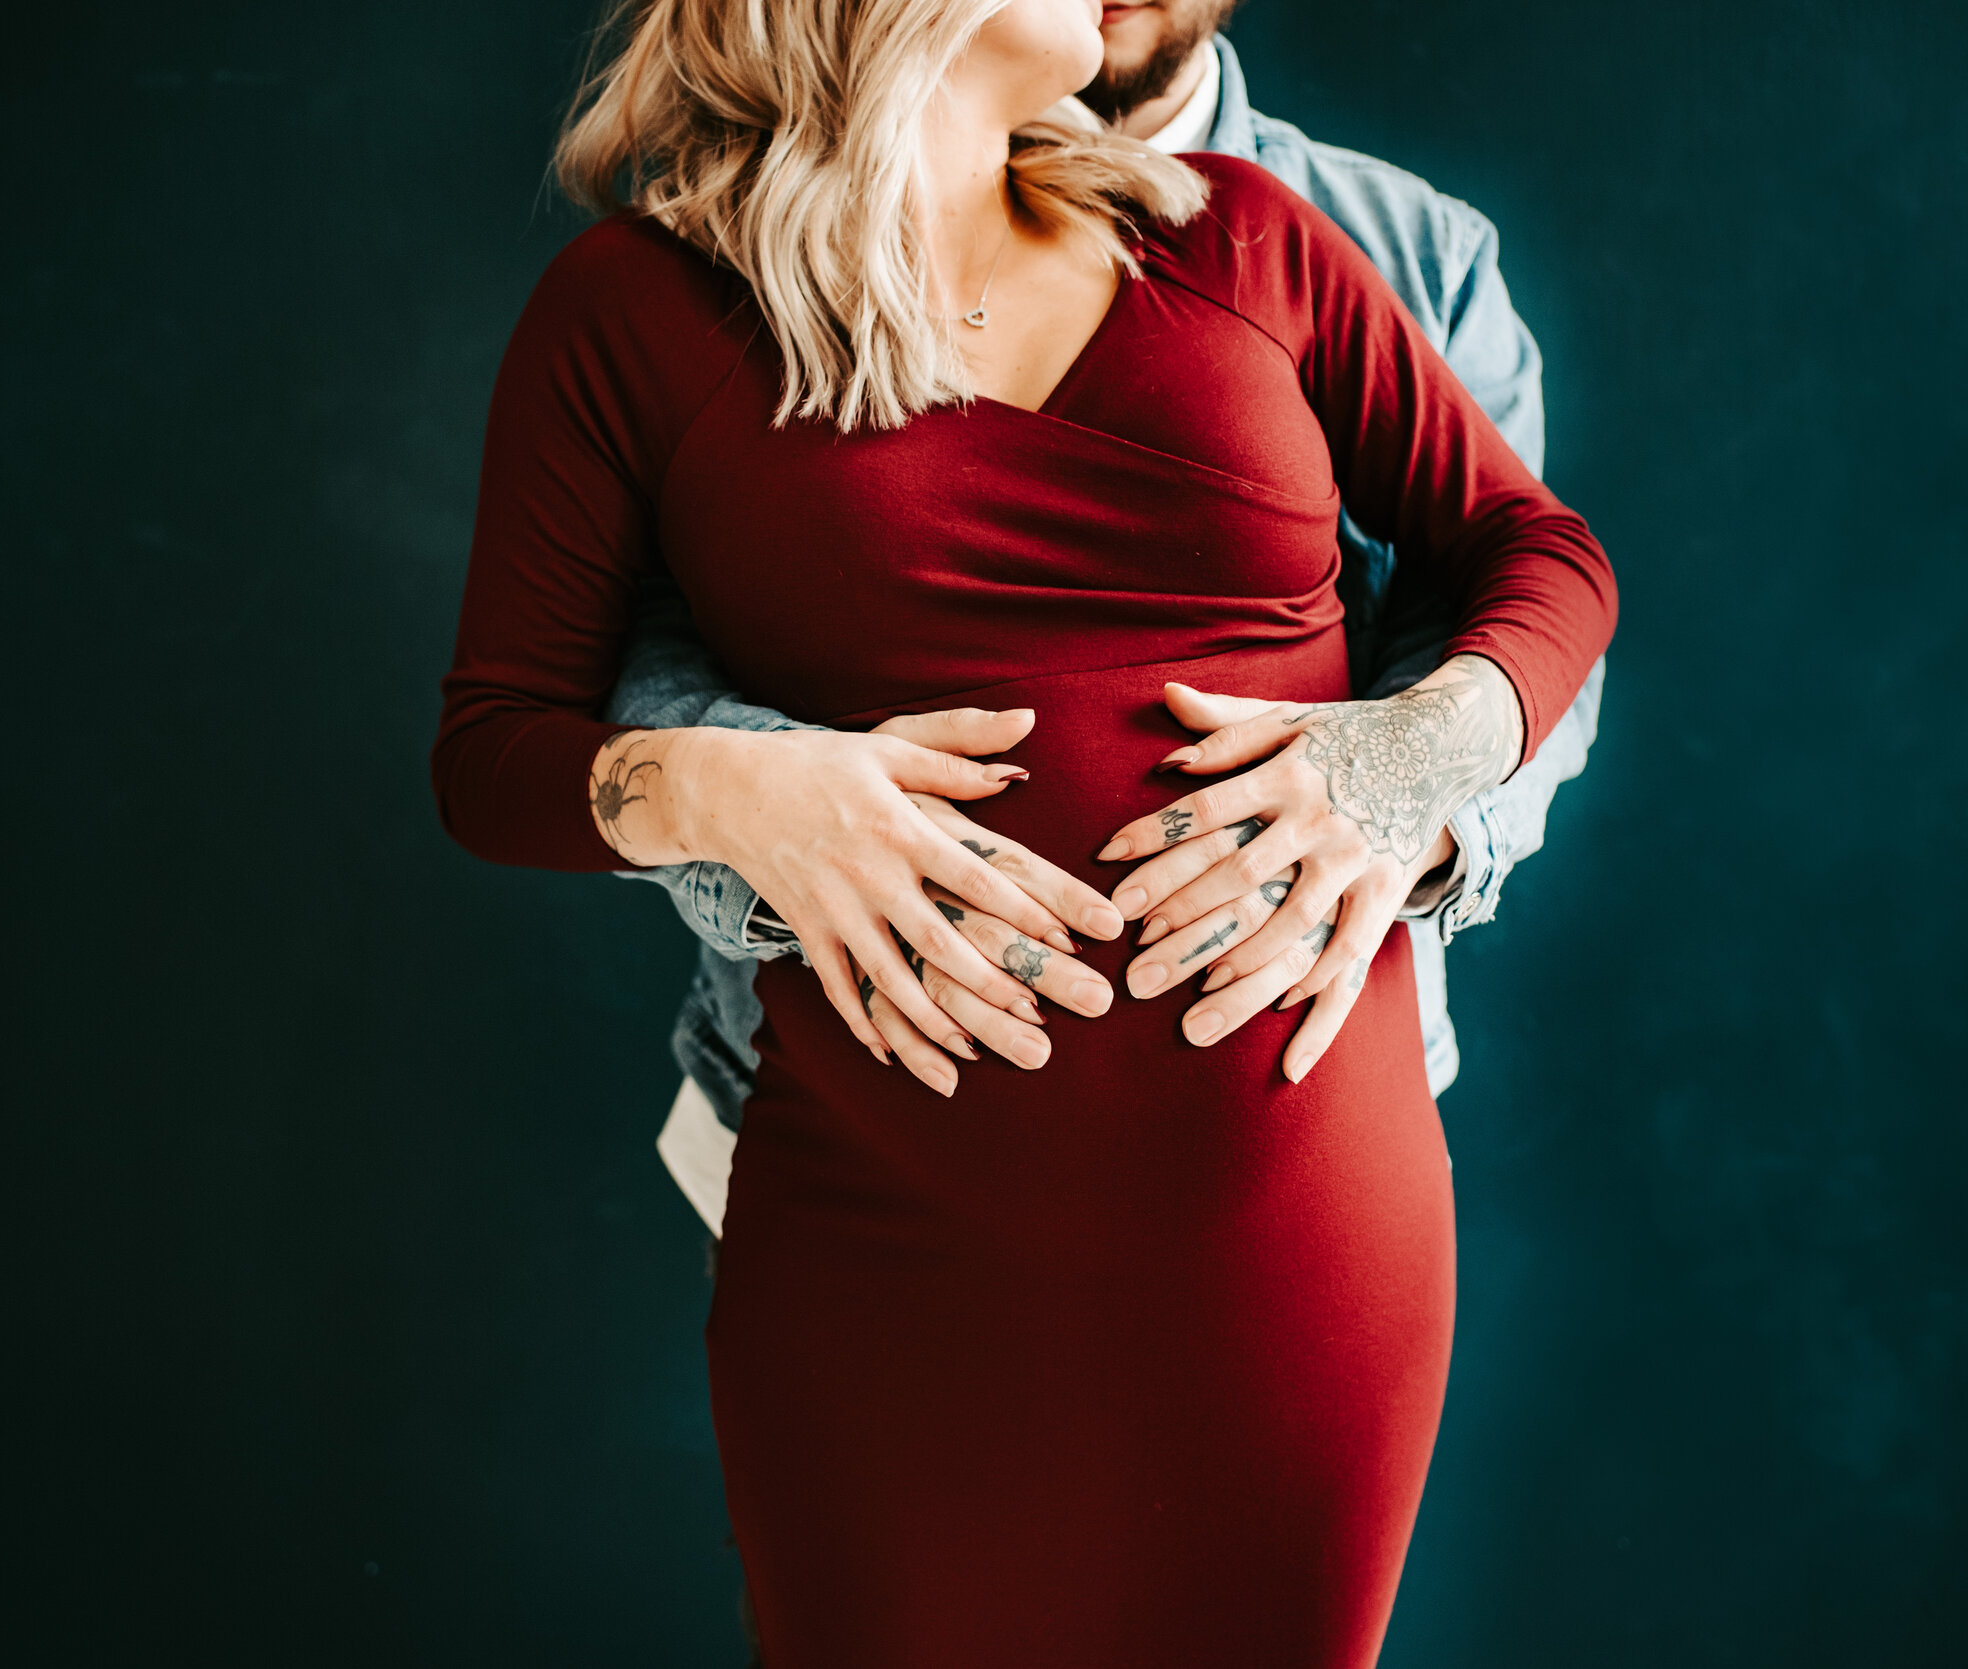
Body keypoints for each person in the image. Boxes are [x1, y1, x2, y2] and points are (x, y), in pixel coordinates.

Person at [433, 0, 1615, 1660]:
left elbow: (1539, 552)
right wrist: (728, 790)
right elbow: (494, 750)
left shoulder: (1255, 238)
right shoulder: (632, 313)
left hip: (1294, 1214)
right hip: (878, 1224)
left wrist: (1413, 759)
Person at [612, 2, 1611, 1236]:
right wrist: (759, 812)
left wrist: (1410, 786)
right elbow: (631, 639)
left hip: (1294, 1142)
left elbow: (1520, 598)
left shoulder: (1411, 250)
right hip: (841, 1119)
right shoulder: (736, 252)